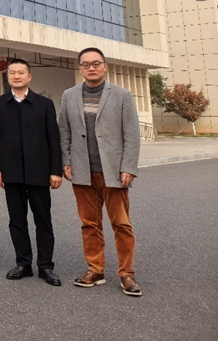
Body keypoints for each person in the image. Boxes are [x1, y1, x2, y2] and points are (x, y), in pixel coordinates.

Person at [58, 47, 142, 296]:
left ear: (105, 66)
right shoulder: (69, 95)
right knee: (89, 224)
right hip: (82, 171)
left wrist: (128, 166)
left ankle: (126, 273)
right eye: (86, 64)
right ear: (80, 68)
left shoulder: (122, 95)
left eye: (96, 63)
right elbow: (64, 131)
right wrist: (66, 160)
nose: (91, 68)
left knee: (121, 224)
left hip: (113, 171)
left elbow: (131, 133)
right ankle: (95, 269)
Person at [0, 59, 62, 286]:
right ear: (7, 76)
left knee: (43, 221)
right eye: (12, 73)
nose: (16, 76)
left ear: (29, 77)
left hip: (39, 172)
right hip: (11, 173)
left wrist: (55, 171)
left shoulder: (44, 104)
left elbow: (53, 139)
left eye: (21, 72)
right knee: (17, 221)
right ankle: (23, 263)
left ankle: (46, 266)